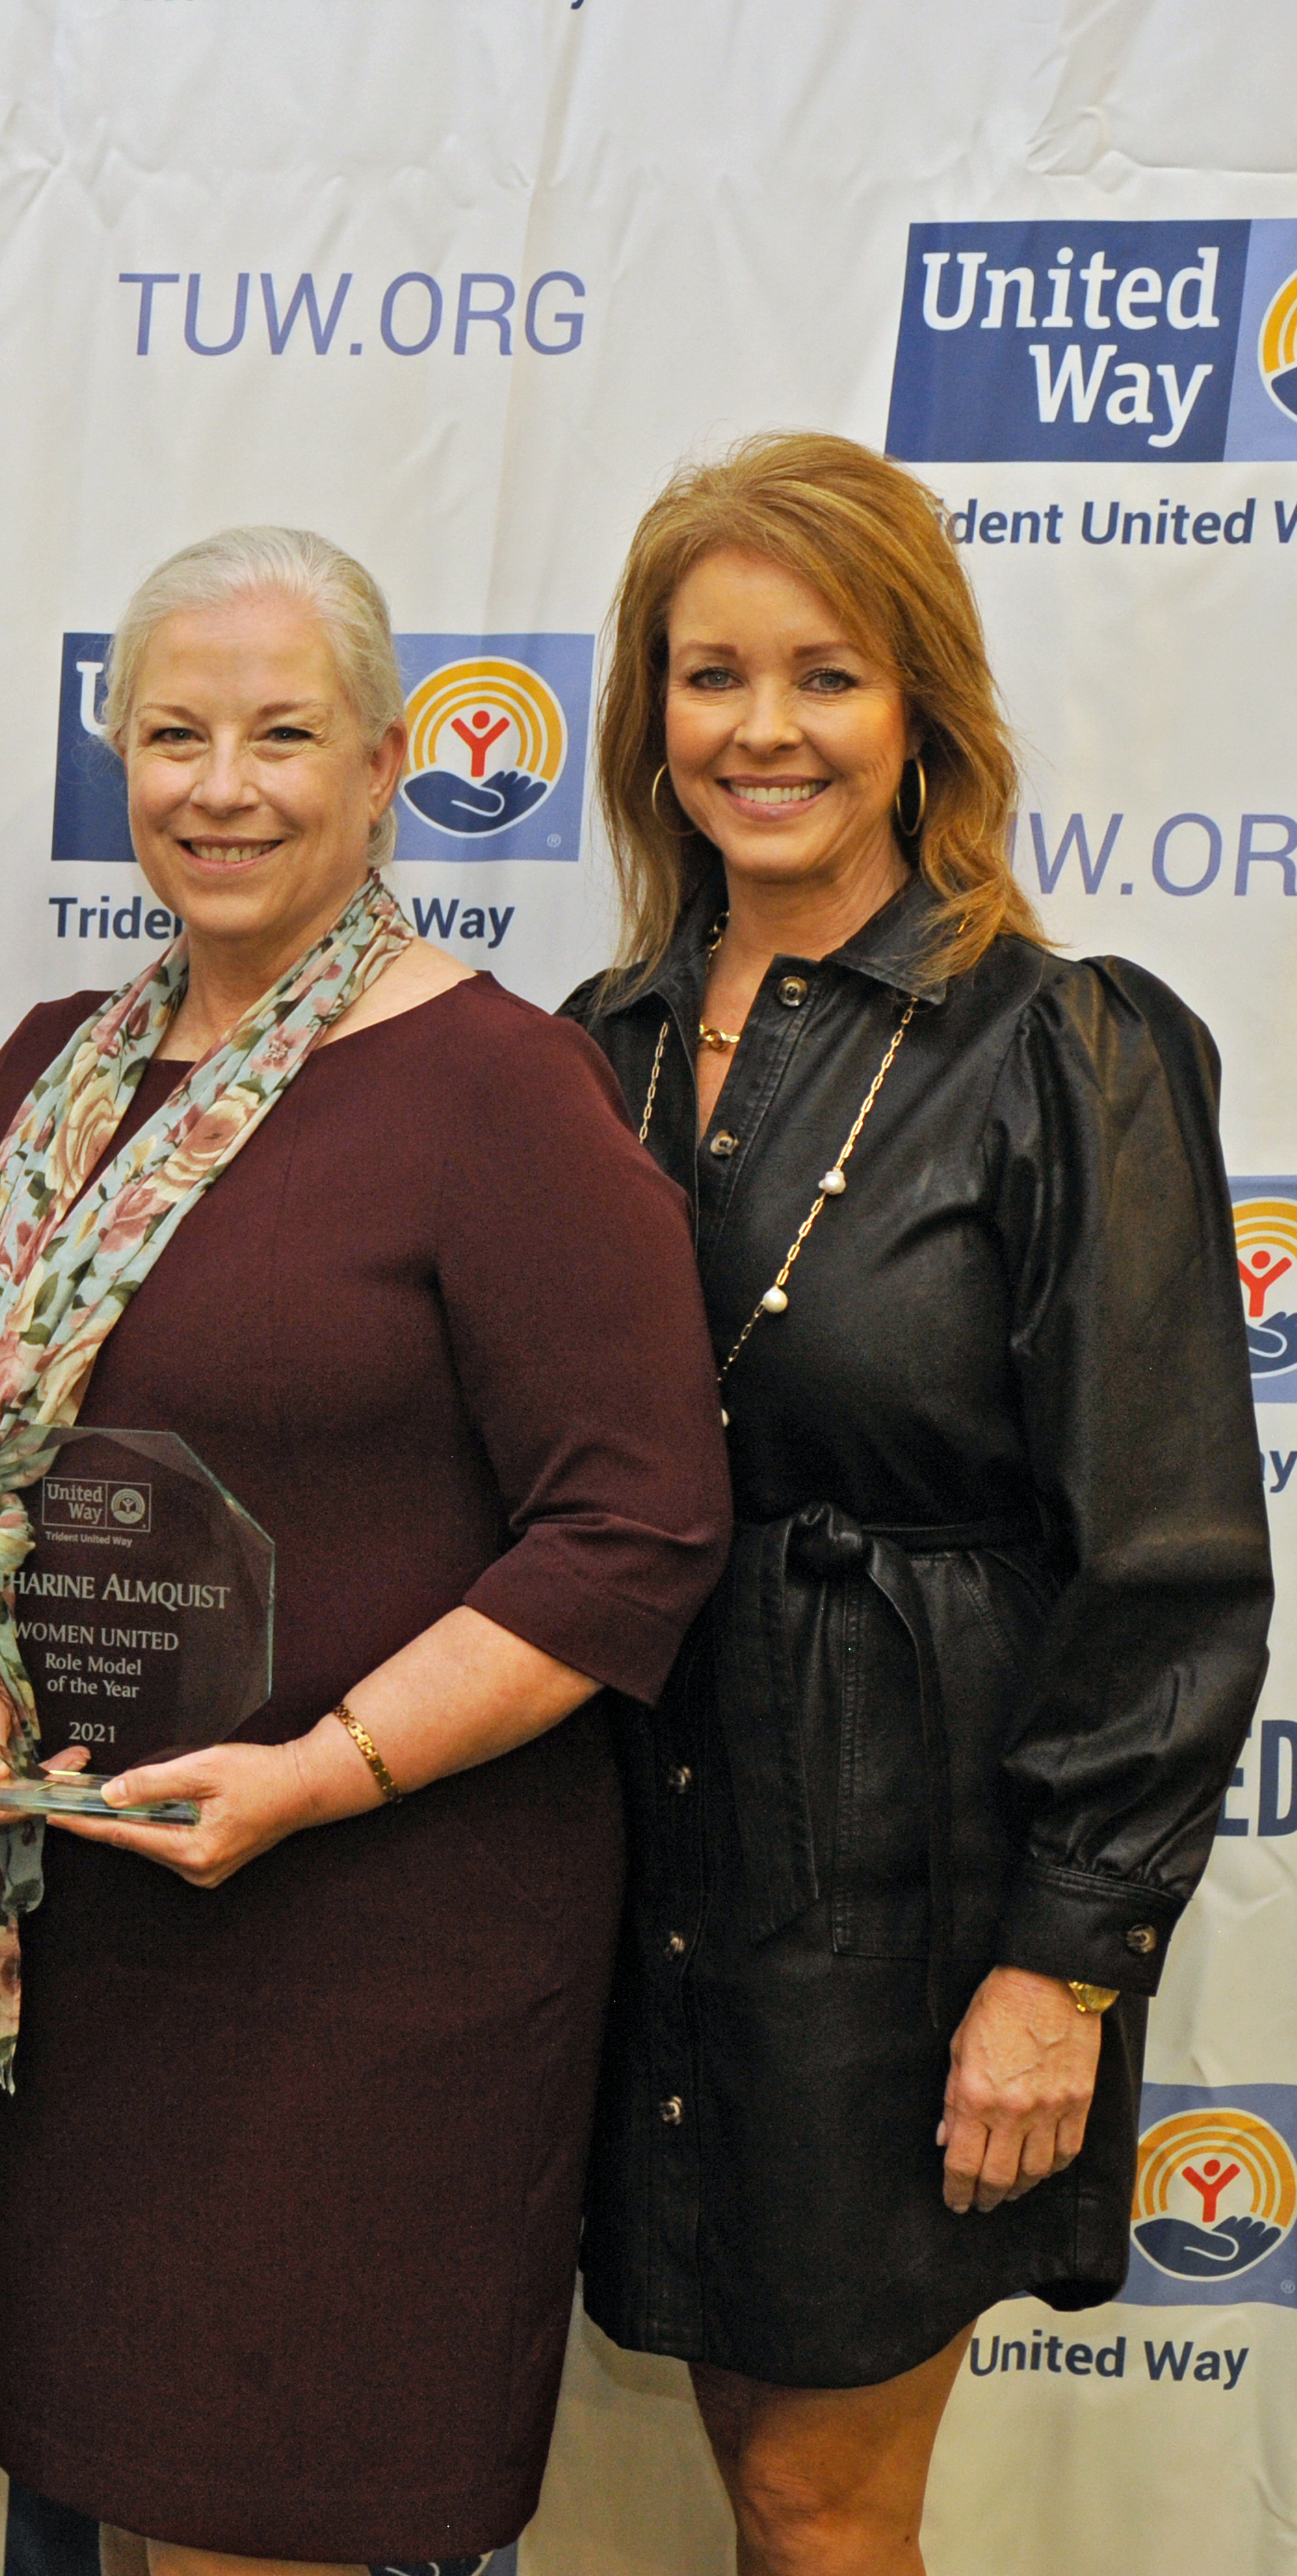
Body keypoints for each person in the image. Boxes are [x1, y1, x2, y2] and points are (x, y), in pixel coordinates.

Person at [0, 525, 733, 2576]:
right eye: (171, 732)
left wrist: (321, 1771)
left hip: (375, 1957)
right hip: (97, 1944)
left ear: (382, 768)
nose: (219, 784)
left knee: (264, 2524)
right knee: (120, 2515)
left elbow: (633, 1523)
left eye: (280, 733)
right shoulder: (44, 1081)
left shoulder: (492, 1088)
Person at [562, 432, 1273, 2576]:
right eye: (706, 677)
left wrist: (1057, 1965)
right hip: (629, 1857)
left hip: (902, 1884)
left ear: (919, 715)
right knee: (744, 2467)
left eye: (824, 676)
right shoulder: (581, 1050)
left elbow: (1163, 1552)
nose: (759, 730)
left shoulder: (1059, 1047)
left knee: (815, 2501)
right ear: (642, 716)